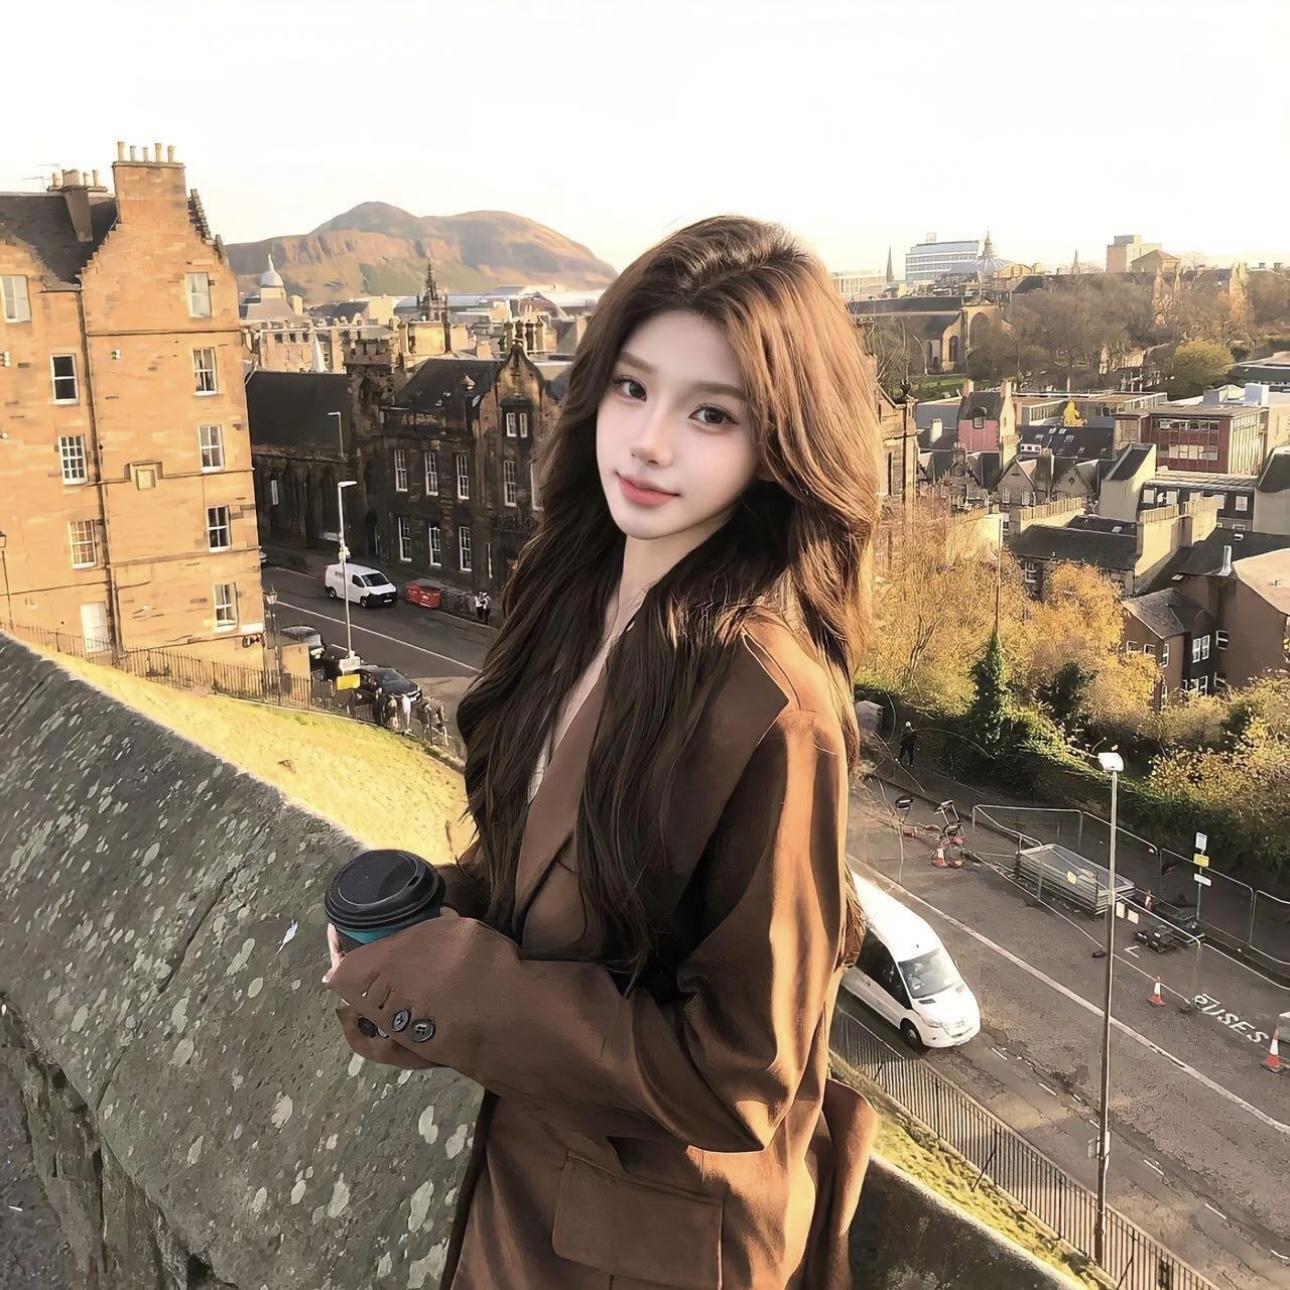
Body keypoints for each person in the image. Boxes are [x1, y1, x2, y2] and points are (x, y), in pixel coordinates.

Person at [323, 215, 882, 1289]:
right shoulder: (572, 603)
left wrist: (451, 978)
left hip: (653, 1254)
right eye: (633, 388)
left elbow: (741, 1075)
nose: (651, 441)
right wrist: (419, 927)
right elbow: (563, 888)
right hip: (525, 1202)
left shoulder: (773, 703)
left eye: (711, 412)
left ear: (780, 446)